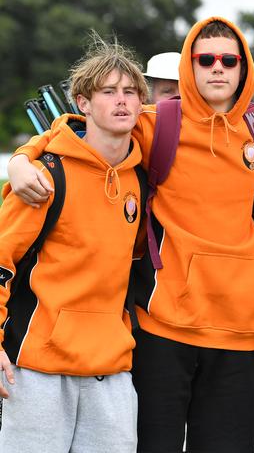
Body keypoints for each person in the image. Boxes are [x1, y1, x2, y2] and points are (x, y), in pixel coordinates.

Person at [6, 16, 254, 453]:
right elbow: (78, 128)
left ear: (244, 67)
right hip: (161, 325)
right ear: (191, 66)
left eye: (229, 59)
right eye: (206, 59)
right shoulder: (156, 123)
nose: (218, 68)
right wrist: (23, 157)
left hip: (236, 329)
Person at [0, 34, 147, 452]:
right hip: (37, 369)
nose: (121, 101)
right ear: (82, 102)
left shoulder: (141, 176)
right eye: (108, 91)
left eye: (131, 92)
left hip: (112, 371)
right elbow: (1, 260)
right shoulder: (44, 177)